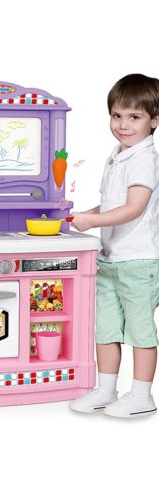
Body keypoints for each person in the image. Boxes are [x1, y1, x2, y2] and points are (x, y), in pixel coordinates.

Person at [69, 74, 159, 418]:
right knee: (106, 328)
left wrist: (91, 223)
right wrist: (85, 214)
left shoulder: (143, 159)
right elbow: (112, 205)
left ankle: (141, 395)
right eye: (117, 115)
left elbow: (134, 208)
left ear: (154, 121)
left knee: (140, 331)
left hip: (139, 261)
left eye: (134, 117)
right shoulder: (119, 154)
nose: (123, 125)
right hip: (111, 259)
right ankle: (106, 389)